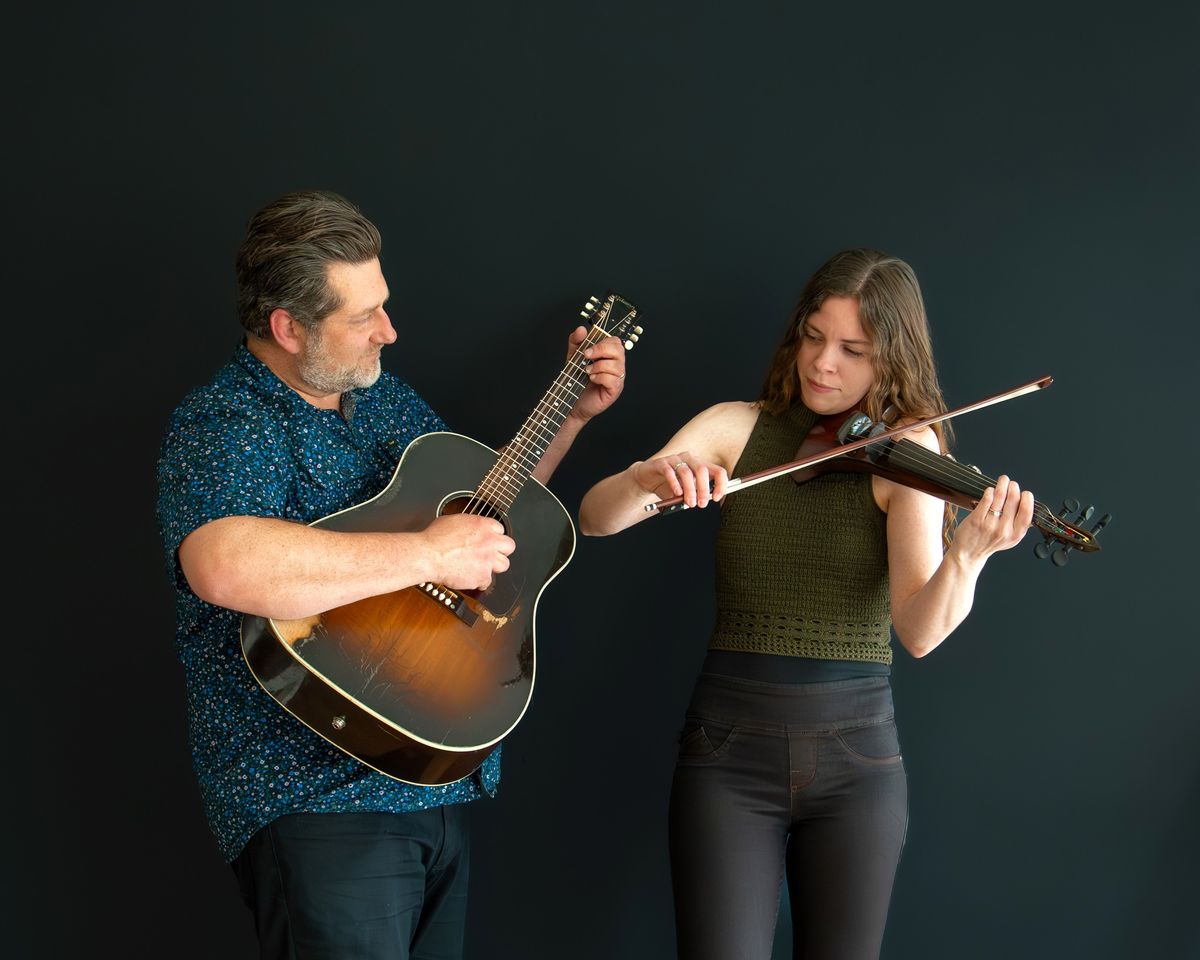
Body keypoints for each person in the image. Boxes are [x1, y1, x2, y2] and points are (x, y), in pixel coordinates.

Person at [155, 189, 627, 959]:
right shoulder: (229, 420)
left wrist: (571, 415)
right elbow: (222, 562)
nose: (390, 330)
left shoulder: (380, 402)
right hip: (314, 796)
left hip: (432, 775)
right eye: (362, 316)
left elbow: (479, 511)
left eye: (384, 304)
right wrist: (425, 555)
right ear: (287, 328)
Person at [577, 248, 1034, 960]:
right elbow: (596, 517)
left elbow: (918, 631)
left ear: (893, 359)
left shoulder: (908, 452)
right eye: (814, 338)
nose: (823, 364)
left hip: (856, 764)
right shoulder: (737, 426)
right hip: (727, 753)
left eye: (854, 350)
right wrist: (649, 475)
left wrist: (968, 556)